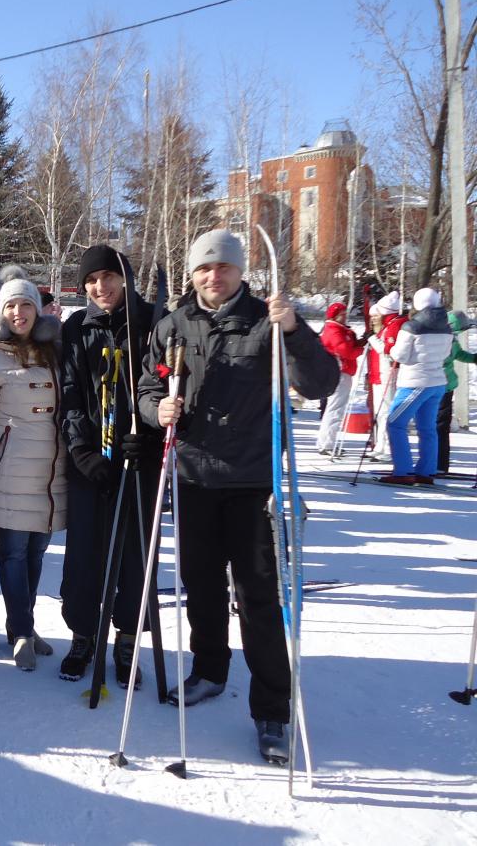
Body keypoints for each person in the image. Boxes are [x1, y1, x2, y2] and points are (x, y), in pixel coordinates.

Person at [137, 229, 338, 763]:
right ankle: (208, 670)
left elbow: (320, 382)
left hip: (252, 480)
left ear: (239, 271)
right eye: (204, 268)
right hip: (194, 477)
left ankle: (271, 706)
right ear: (192, 273)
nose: (213, 276)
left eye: (223, 267)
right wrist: (155, 410)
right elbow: (148, 386)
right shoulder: (174, 325)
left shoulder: (268, 320)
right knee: (199, 585)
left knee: (258, 598)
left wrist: (293, 331)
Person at [57, 245, 161, 686]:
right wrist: (80, 449)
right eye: (92, 280)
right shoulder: (77, 327)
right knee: (85, 553)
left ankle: (125, 638)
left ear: (126, 277)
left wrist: (150, 439)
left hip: (139, 458)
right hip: (90, 459)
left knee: (136, 555)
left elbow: (165, 385)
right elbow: (70, 391)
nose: (102, 287)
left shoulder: (153, 321)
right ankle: (83, 633)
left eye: (109, 277)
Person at [0, 267, 66, 671]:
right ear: (1, 313)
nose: (19, 312)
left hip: (49, 472)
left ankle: (25, 625)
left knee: (38, 550)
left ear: (38, 310)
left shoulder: (55, 351)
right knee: (12, 551)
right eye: (11, 306)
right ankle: (21, 630)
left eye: (26, 305)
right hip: (7, 470)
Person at [380, 287, 453, 486]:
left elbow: (400, 355)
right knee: (427, 428)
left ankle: (403, 470)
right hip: (437, 381)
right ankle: (426, 471)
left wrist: (392, 350)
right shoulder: (446, 327)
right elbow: (446, 354)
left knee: (395, 423)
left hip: (414, 382)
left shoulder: (411, 327)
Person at [316, 302, 365, 456]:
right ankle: (327, 444)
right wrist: (360, 348)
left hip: (341, 372)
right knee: (335, 409)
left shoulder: (339, 329)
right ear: (335, 316)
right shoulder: (334, 330)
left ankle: (326, 442)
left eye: (345, 314)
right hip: (339, 373)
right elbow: (346, 351)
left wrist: (359, 342)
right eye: (342, 315)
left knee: (334, 408)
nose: (345, 317)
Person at [367, 291, 407, 463]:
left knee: (387, 411)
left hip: (389, 372)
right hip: (380, 373)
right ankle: (380, 445)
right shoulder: (389, 324)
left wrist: (373, 340)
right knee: (380, 411)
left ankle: (388, 447)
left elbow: (388, 350)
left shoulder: (395, 325)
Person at [438, 311, 477, 474]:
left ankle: (441, 464)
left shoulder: (450, 338)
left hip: (447, 386)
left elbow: (458, 354)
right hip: (437, 384)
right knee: (437, 426)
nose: (460, 333)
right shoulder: (441, 338)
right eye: (461, 329)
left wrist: (474, 358)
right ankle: (437, 463)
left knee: (441, 426)